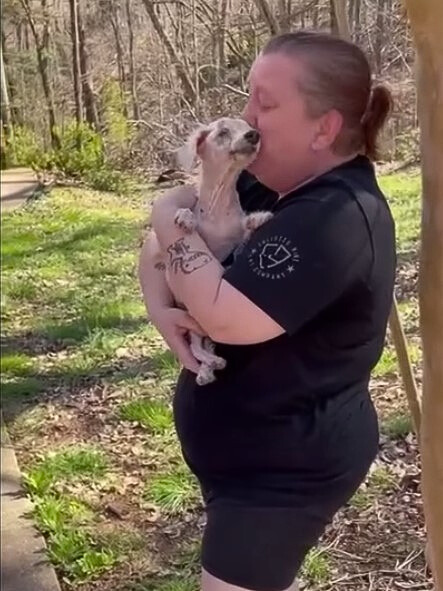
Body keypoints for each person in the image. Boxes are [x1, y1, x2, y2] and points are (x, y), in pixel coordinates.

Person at [138, 30, 396, 591]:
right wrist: (162, 310)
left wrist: (165, 212)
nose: (247, 115)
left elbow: (224, 315)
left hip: (285, 472)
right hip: (241, 459)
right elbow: (157, 252)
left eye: (266, 103)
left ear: (324, 128)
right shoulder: (267, 184)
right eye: (249, 96)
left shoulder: (338, 216)